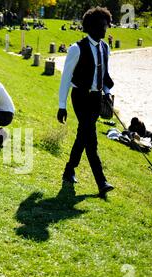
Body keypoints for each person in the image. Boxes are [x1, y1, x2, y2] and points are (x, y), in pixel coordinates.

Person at [57, 7, 115, 197]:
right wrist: (62, 106)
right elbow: (65, 78)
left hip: (97, 98)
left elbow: (104, 75)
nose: (105, 30)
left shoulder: (105, 48)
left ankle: (69, 169)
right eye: (101, 26)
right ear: (90, 27)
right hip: (80, 97)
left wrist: (107, 92)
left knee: (83, 135)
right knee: (91, 138)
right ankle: (101, 181)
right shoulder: (76, 49)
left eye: (106, 26)